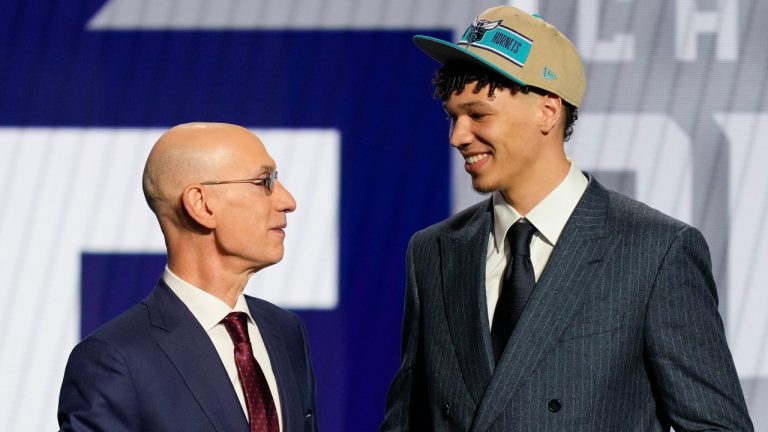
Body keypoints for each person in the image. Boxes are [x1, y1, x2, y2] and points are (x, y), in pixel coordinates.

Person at [381, 6, 752, 431]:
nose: (458, 136)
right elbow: (407, 420)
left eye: (479, 115)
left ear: (548, 110)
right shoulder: (433, 252)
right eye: (453, 117)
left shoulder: (655, 251)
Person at [58, 122, 317, 431]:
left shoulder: (284, 332)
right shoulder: (115, 360)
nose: (288, 200)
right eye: (265, 181)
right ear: (201, 205)